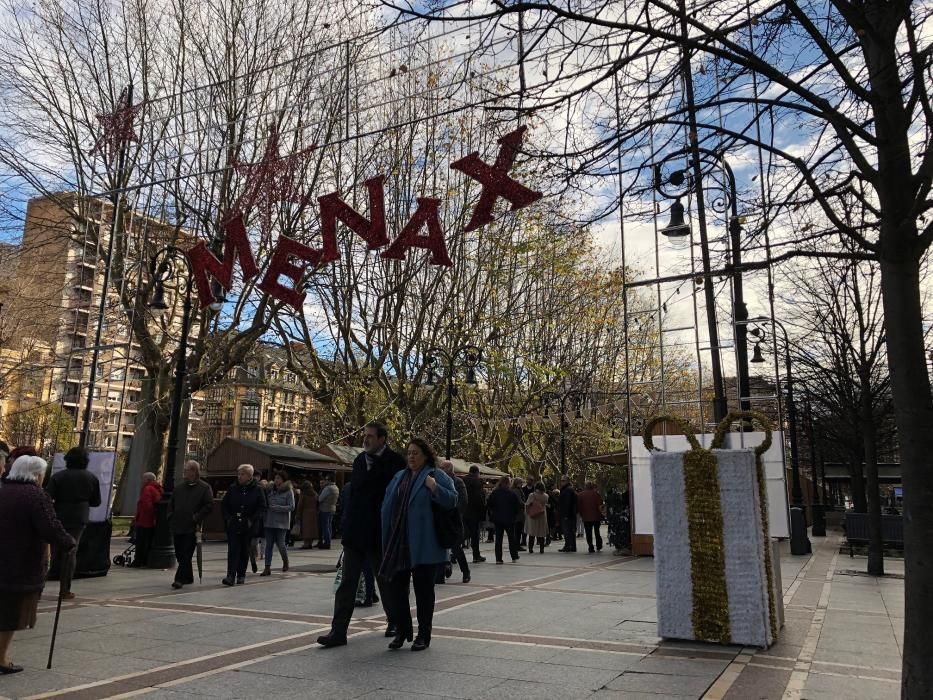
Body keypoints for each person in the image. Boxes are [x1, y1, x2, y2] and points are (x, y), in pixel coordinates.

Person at [317, 421, 406, 648]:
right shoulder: (358, 461)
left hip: (379, 531)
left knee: (384, 579)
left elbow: (398, 499)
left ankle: (394, 622)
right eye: (364, 435)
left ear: (382, 439)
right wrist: (345, 523)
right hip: (355, 531)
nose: (365, 439)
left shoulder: (396, 462)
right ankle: (338, 631)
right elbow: (353, 495)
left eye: (370, 436)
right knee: (347, 581)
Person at [379, 437, 457, 651]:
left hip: (425, 542)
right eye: (409, 452)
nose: (411, 456)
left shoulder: (436, 475)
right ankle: (403, 630)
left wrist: (434, 489)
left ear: (426, 456)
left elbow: (453, 500)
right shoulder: (399, 477)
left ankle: (424, 634)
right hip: (399, 541)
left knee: (423, 591)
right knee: (396, 588)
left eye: (416, 453)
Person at [0, 455, 75, 674]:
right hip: (20, 564)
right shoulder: (36, 496)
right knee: (10, 614)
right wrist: (68, 542)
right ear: (36, 474)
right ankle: (1, 658)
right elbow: (50, 527)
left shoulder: (3, 491)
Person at [45, 446, 101, 599]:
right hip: (79, 517)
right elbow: (96, 502)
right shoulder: (91, 478)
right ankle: (65, 589)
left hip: (59, 514)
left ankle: (47, 578)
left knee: (55, 549)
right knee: (71, 551)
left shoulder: (58, 477)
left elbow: (47, 496)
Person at [168, 460, 213, 589]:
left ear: (194, 471)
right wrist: (171, 517)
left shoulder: (204, 488)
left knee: (186, 553)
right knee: (179, 553)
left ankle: (179, 579)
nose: (184, 472)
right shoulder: (179, 488)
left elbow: (208, 505)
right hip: (177, 525)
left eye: (187, 470)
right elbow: (171, 504)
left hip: (192, 527)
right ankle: (188, 577)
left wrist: (197, 517)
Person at [220, 464, 265, 586]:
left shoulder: (257, 489)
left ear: (250, 476)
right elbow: (224, 505)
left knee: (244, 550)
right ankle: (230, 575)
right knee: (233, 549)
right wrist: (228, 519)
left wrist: (252, 519)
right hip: (234, 523)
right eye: (238, 474)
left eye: (242, 474)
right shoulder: (233, 488)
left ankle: (241, 574)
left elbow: (262, 507)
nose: (239, 476)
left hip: (248, 525)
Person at [439, 459, 470, 583]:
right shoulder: (439, 481)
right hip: (441, 521)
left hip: (453, 521)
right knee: (442, 547)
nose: (440, 470)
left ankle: (466, 571)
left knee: (456, 547)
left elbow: (463, 501)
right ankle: (445, 568)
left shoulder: (458, 482)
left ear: (449, 470)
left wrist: (453, 513)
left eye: (442, 468)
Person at [261, 471, 295, 576]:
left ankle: (285, 561)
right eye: (275, 478)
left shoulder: (289, 491)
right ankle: (267, 567)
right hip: (269, 521)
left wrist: (279, 508)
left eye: (279, 478)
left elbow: (292, 506)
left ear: (283, 480)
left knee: (281, 544)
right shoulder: (270, 490)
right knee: (269, 545)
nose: (276, 480)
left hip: (282, 522)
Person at [486, 476, 523, 564]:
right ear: (508, 483)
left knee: (499, 539)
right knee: (511, 538)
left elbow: (489, 504)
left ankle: (498, 558)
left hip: (498, 519)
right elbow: (517, 506)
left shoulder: (495, 493)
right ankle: (514, 556)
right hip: (509, 519)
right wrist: (514, 514)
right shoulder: (511, 493)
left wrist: (494, 511)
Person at [131, 472, 162, 567]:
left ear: (148, 480)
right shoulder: (159, 489)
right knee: (148, 542)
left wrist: (137, 518)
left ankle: (139, 561)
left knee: (141, 542)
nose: (142, 481)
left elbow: (146, 505)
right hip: (153, 522)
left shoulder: (147, 489)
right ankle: (146, 560)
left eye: (143, 479)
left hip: (144, 520)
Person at [463, 465, 487, 562]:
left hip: (463, 511)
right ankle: (476, 555)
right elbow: (479, 498)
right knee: (474, 535)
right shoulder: (477, 481)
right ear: (477, 472)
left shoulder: (463, 479)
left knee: (463, 534)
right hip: (474, 512)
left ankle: (454, 555)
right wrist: (483, 509)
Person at [578, 481, 604, 553]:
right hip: (596, 516)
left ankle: (590, 546)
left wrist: (581, 514)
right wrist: (601, 514)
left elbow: (579, 506)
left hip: (586, 517)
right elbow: (600, 505)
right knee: (597, 532)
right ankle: (599, 545)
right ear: (592, 486)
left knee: (588, 533)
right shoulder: (596, 494)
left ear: (585, 486)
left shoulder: (581, 495)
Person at [524, 482, 550, 554]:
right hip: (542, 515)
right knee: (541, 533)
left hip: (533, 516)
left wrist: (527, 512)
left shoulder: (532, 495)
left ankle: (530, 549)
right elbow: (546, 503)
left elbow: (527, 504)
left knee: (532, 533)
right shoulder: (546, 496)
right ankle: (542, 549)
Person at [317, 474, 339, 550]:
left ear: (329, 480)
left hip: (325, 509)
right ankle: (328, 541)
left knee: (325, 526)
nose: (325, 481)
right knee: (329, 526)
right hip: (332, 508)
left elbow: (320, 499)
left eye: (326, 480)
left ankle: (327, 543)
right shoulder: (336, 487)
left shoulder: (328, 488)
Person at [296, 479, 319, 548]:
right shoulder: (315, 494)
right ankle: (310, 543)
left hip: (305, 513)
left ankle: (306, 544)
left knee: (306, 529)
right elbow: (318, 503)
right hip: (314, 513)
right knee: (312, 529)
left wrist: (298, 514)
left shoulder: (303, 494)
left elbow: (300, 505)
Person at [558, 475, 578, 552]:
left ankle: (569, 546)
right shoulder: (566, 489)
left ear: (568, 481)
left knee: (568, 531)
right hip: (569, 514)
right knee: (569, 531)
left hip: (567, 515)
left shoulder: (568, 490)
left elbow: (567, 503)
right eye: (561, 480)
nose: (561, 482)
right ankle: (571, 546)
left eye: (563, 480)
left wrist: (566, 514)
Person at [509, 477, 527, 552]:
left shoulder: (514, 490)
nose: (522, 484)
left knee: (517, 530)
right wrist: (526, 505)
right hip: (518, 513)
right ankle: (517, 545)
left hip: (515, 513)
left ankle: (516, 545)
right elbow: (519, 501)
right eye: (521, 483)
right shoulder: (516, 490)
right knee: (518, 530)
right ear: (517, 483)